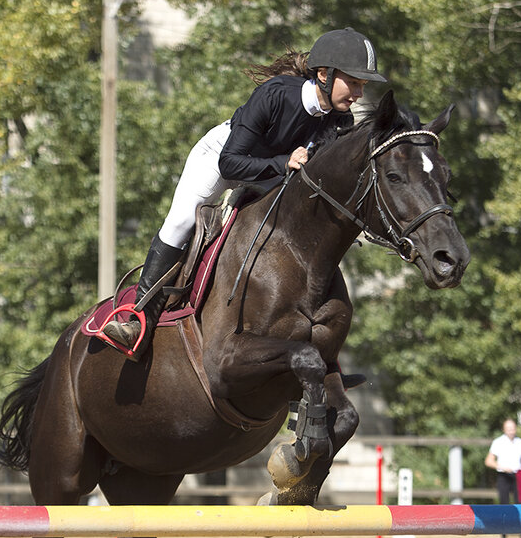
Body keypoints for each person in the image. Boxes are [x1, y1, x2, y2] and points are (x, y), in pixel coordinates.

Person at [102, 27, 387, 357]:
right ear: (324, 74)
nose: (358, 93)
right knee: (180, 223)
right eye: (353, 82)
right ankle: (136, 320)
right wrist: (283, 163)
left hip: (271, 173)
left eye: (363, 86)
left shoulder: (340, 122)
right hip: (222, 157)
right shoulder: (276, 93)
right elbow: (230, 164)